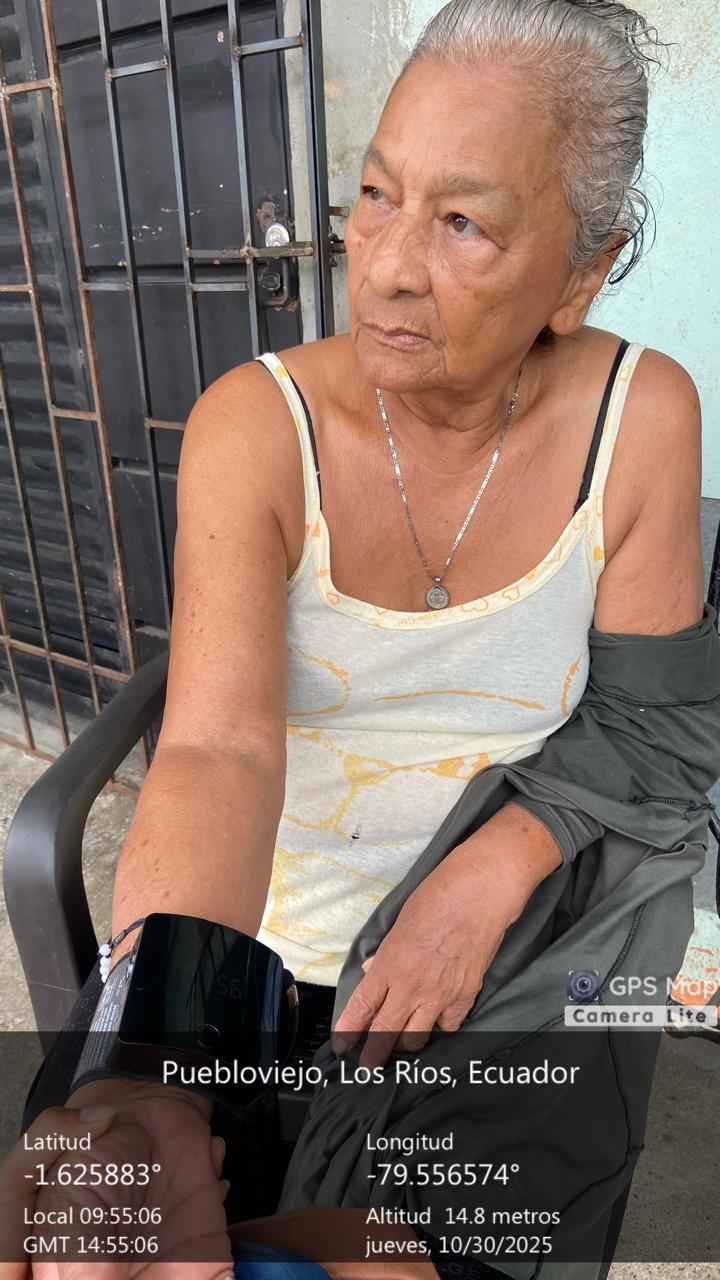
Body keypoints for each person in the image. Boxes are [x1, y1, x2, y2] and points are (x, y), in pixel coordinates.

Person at [17, 0, 708, 1274]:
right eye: (376, 194)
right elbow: (218, 750)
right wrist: (147, 1059)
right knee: (116, 1211)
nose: (384, 266)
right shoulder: (256, 427)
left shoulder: (642, 415)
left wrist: (481, 879)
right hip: (275, 937)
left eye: (463, 223)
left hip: (522, 926)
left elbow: (652, 722)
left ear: (581, 272)